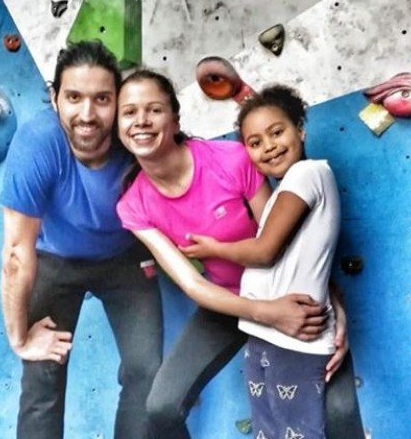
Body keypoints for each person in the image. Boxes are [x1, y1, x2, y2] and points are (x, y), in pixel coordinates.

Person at [116, 70, 362, 438]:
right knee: (162, 406)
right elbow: (194, 286)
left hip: (290, 298)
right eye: (129, 112)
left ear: (175, 118)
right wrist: (264, 312)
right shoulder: (133, 205)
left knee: (340, 411)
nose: (141, 121)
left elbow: (288, 245)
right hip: (228, 304)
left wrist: (334, 309)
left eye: (154, 109)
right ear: (118, 126)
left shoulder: (232, 159)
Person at [0, 41, 164, 439]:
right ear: (55, 97)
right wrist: (20, 339)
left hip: (124, 259)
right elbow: (17, 253)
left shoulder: (136, 136)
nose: (87, 114)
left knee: (146, 372)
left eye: (102, 99)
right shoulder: (38, 143)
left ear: (118, 100)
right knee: (43, 374)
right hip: (55, 260)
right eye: (74, 97)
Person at [180, 84, 341, 438]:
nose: (269, 146)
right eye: (255, 142)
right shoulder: (285, 190)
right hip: (266, 333)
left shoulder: (308, 174)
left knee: (299, 433)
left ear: (300, 129)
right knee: (268, 432)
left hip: (296, 340)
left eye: (277, 132)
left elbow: (266, 251)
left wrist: (214, 249)